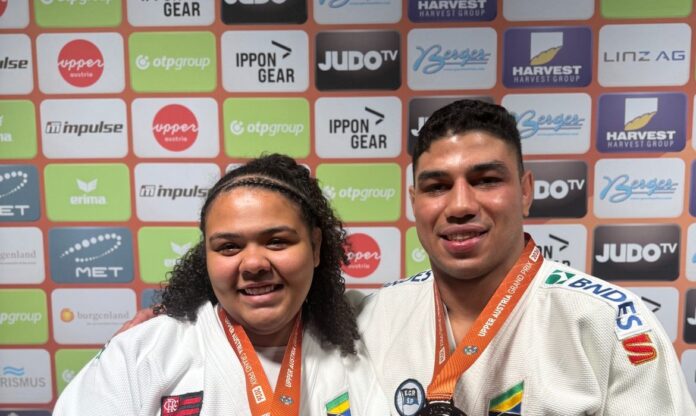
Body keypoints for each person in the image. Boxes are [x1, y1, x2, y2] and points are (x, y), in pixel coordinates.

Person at [354, 99, 696, 415]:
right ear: (414, 201)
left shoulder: (607, 322)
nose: (460, 206)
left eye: (486, 181)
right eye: (437, 187)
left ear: (526, 192)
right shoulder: (374, 318)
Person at [53, 154, 389, 415]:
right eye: (229, 247)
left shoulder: (365, 344)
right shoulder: (142, 354)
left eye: (276, 241)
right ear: (206, 256)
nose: (254, 264)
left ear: (315, 247)